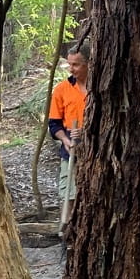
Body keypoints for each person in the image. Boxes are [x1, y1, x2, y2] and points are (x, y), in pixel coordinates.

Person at [48, 45, 89, 227]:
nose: (71, 69)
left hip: (97, 148)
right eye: (69, 64)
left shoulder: (101, 87)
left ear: (89, 64)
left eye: (76, 65)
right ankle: (68, 233)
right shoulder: (62, 90)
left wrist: (86, 131)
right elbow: (54, 124)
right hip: (70, 147)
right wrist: (65, 140)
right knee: (68, 194)